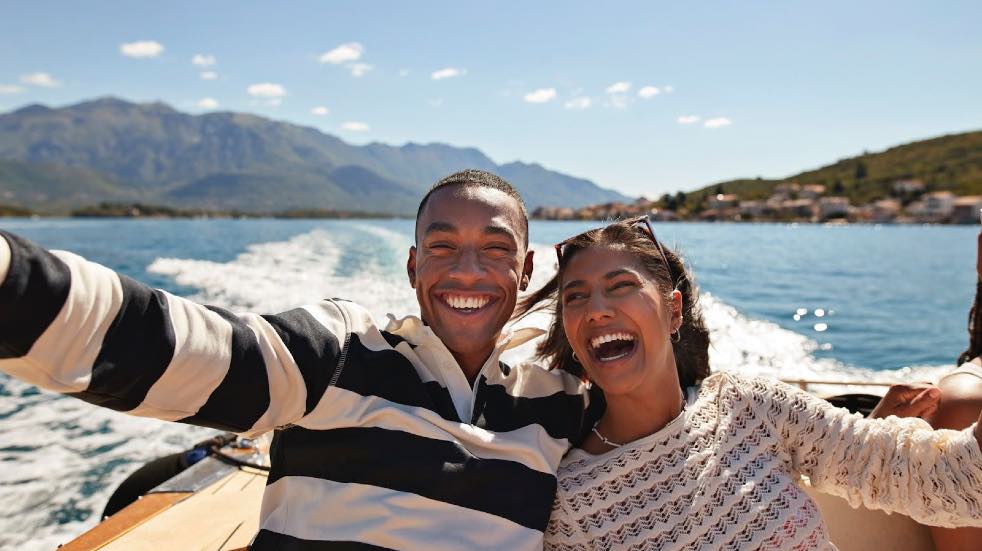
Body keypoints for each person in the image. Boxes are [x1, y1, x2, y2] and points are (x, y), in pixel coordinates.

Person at [0, 169, 597, 550]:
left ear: (524, 273)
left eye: (495, 250)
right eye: (442, 247)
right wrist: (14, 283)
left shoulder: (563, 399)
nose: (467, 271)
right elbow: (183, 347)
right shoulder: (341, 351)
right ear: (413, 268)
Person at [515, 217, 982, 550]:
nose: (596, 308)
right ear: (572, 335)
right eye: (576, 297)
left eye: (620, 286)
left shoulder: (751, 405)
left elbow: (946, 478)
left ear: (673, 311)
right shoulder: (573, 501)